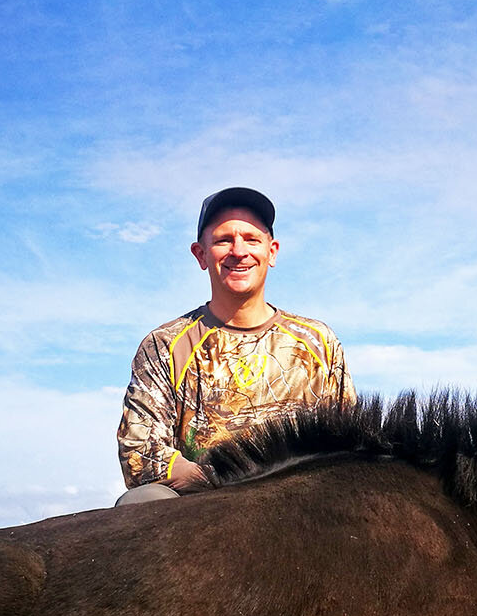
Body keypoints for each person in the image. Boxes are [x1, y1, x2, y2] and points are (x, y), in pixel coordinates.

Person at [116, 186, 354, 503]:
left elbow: (348, 444)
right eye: (224, 240)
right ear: (201, 254)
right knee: (140, 502)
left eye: (252, 239)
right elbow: (140, 450)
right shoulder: (164, 345)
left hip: (300, 507)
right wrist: (222, 487)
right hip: (203, 509)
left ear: (272, 252)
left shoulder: (318, 342)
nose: (239, 251)